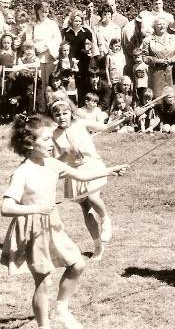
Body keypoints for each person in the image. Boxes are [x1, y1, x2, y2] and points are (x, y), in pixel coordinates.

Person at [1, 114, 127, 329]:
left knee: (77, 264)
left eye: (52, 138)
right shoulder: (22, 173)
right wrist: (37, 208)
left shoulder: (51, 164)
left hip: (53, 225)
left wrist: (109, 170)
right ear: (30, 144)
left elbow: (80, 175)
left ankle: (61, 308)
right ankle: (44, 326)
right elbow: (6, 207)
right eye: (46, 140)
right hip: (32, 230)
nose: (52, 144)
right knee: (43, 280)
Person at [50, 98, 119, 259]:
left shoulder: (80, 123)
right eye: (57, 114)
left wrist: (123, 119)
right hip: (74, 172)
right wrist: (65, 154)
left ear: (71, 113)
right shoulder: (54, 135)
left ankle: (105, 220)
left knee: (93, 196)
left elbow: (107, 127)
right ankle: (98, 247)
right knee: (86, 209)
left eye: (65, 113)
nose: (62, 117)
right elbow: (55, 162)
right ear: (53, 117)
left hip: (92, 165)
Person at [28, 1, 61, 113]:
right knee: (39, 84)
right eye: (41, 11)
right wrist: (37, 48)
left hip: (51, 55)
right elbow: (29, 41)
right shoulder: (33, 25)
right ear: (37, 11)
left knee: (50, 84)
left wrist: (48, 46)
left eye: (46, 11)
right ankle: (39, 110)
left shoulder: (52, 24)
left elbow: (58, 40)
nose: (44, 13)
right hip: (37, 57)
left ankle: (52, 109)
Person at [142, 17, 175, 98]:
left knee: (172, 98)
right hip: (156, 74)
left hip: (171, 73)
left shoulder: (174, 39)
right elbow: (144, 57)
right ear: (155, 27)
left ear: (167, 25)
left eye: (163, 24)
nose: (161, 26)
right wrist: (156, 61)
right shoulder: (148, 40)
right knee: (158, 99)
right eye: (159, 24)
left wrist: (172, 60)